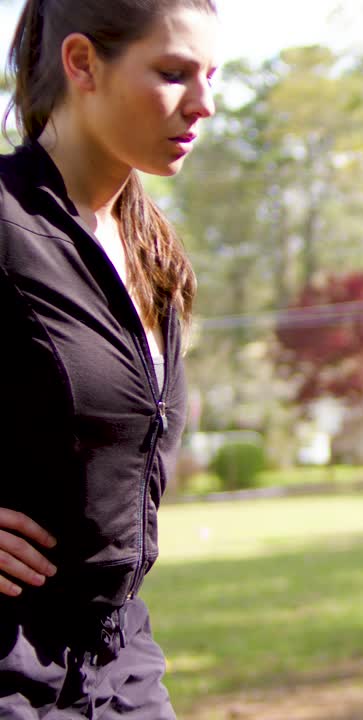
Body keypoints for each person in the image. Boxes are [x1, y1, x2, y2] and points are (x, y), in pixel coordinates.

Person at [0, 0, 218, 716]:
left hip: (122, 668)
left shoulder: (152, 251)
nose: (205, 104)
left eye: (212, 76)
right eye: (173, 73)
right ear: (83, 63)